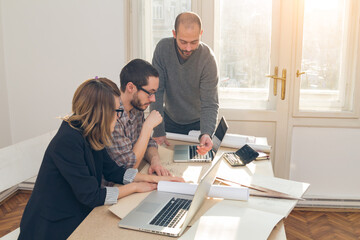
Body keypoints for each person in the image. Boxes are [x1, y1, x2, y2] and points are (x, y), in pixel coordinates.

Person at [18, 78, 183, 240]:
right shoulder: (68, 141)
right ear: (100, 113)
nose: (119, 117)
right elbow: (91, 196)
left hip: (77, 213)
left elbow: (113, 171)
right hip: (53, 227)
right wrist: (135, 187)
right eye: (116, 111)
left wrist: (153, 179)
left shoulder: (90, 132)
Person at [150, 11, 219, 155]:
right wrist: (158, 130)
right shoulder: (162, 49)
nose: (188, 48)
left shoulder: (208, 59)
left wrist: (206, 133)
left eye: (194, 42)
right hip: (168, 120)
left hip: (197, 124)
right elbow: (156, 91)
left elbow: (210, 103)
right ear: (174, 34)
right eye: (183, 42)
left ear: (201, 33)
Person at [106, 59, 171, 177]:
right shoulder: (113, 116)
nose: (153, 99)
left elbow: (148, 143)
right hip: (114, 187)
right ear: (130, 87)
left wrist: (155, 161)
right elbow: (128, 168)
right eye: (150, 93)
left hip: (133, 179)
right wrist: (148, 126)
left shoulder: (137, 107)